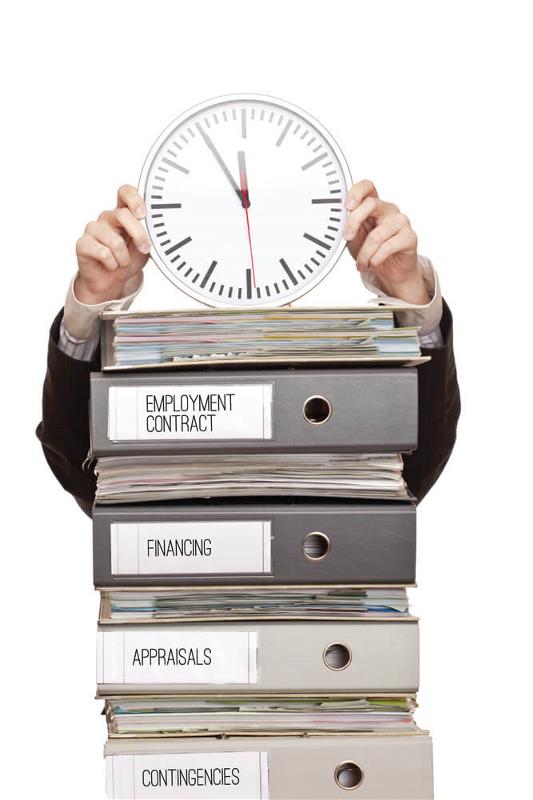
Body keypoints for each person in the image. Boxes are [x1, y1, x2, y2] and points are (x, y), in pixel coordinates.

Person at [36, 181, 460, 516]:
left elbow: (412, 473)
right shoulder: (156, 373)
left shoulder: (342, 376)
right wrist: (91, 306)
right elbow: (84, 473)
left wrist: (408, 294)